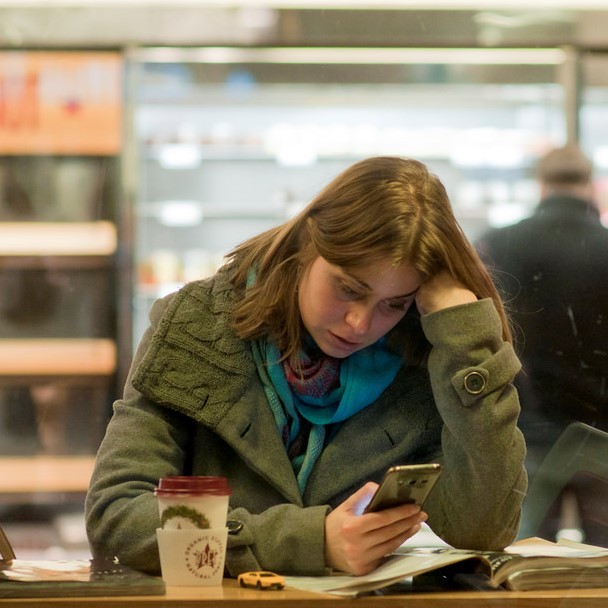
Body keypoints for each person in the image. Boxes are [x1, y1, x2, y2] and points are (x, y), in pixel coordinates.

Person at [85, 156, 527, 578]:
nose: (360, 324)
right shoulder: (195, 324)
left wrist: (465, 337)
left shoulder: (421, 359)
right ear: (304, 248)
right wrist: (309, 541)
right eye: (348, 288)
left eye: (394, 304)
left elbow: (483, 527)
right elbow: (116, 518)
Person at [476, 144, 608, 543]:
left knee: (526, 561)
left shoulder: (499, 244)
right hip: (602, 430)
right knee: (602, 568)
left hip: (525, 426)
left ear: (541, 185)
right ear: (590, 184)